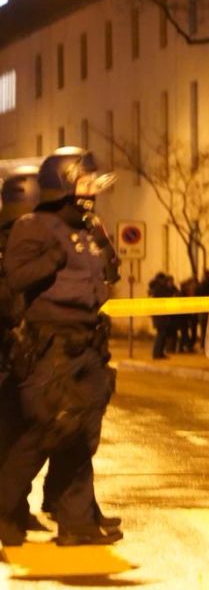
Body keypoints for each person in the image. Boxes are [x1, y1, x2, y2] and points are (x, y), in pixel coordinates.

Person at [0, 147, 121, 546]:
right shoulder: (34, 226)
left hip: (86, 343)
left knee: (81, 436)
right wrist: (51, 258)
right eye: (84, 182)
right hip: (51, 346)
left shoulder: (84, 230)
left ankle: (77, 521)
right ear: (62, 185)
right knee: (47, 431)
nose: (91, 191)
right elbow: (16, 279)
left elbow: (101, 280)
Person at [0, 167, 46, 534]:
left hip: (21, 352)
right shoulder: (20, 243)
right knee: (14, 434)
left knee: (19, 434)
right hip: (11, 351)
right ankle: (10, 511)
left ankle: (16, 508)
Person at [149, 272, 174, 359]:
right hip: (160, 316)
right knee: (161, 335)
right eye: (164, 279)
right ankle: (157, 354)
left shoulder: (156, 288)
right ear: (160, 279)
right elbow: (168, 296)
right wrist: (170, 288)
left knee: (162, 334)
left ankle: (159, 353)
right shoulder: (159, 288)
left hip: (160, 315)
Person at [196, 269, 209, 349]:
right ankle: (207, 344)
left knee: (203, 328)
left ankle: (203, 344)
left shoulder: (201, 285)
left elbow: (196, 294)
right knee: (208, 328)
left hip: (202, 309)